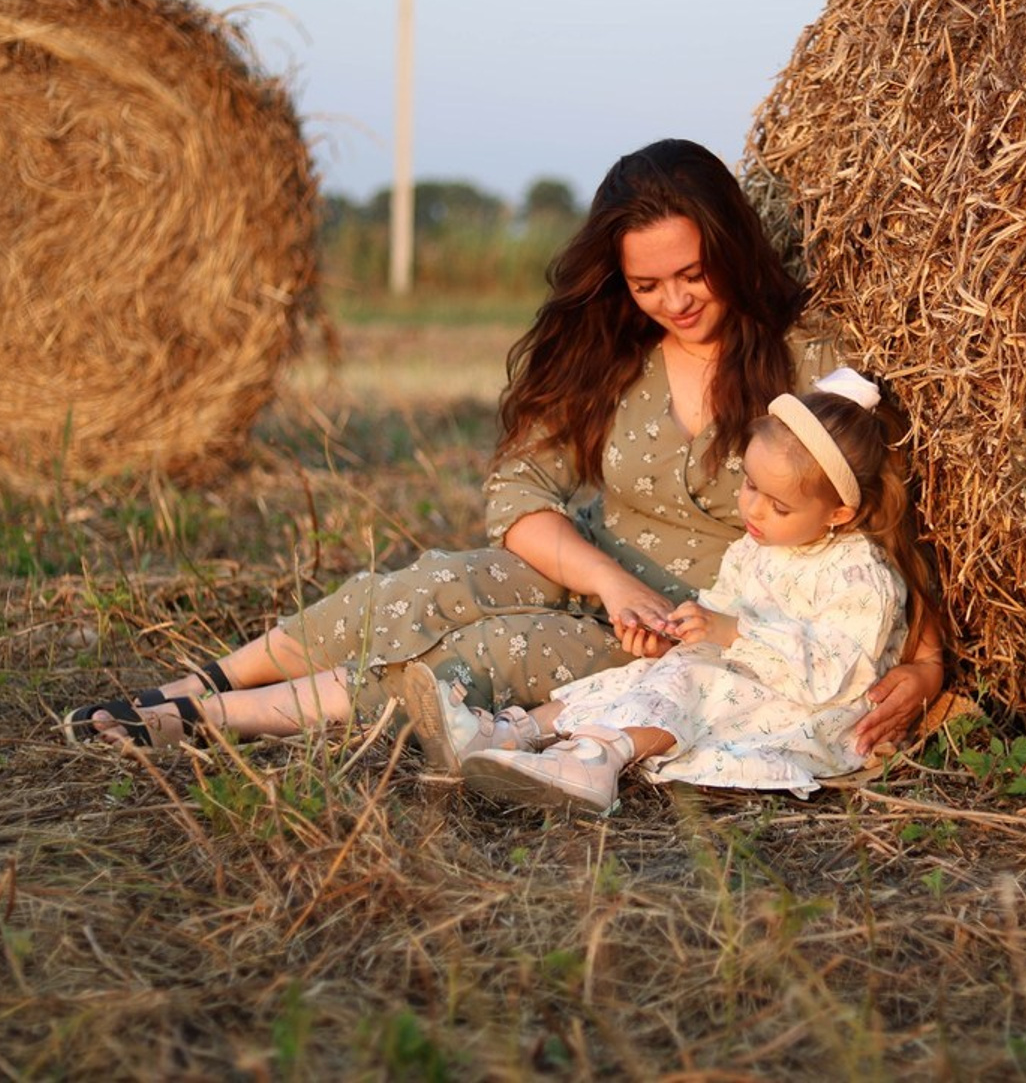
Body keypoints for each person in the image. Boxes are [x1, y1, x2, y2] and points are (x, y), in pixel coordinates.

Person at [64, 139, 943, 756]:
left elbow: (892, 516)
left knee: (486, 660)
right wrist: (606, 579)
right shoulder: (615, 351)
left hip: (691, 632)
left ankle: (229, 721)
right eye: (647, 283)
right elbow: (519, 487)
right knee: (434, 583)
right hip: (594, 570)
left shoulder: (809, 360)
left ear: (734, 248)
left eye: (692, 273)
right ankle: (200, 682)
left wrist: (927, 660)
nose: (674, 300)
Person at [432, 371, 944, 815]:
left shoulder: (861, 575)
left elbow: (835, 672)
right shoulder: (759, 546)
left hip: (811, 712)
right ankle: (506, 733)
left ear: (839, 514)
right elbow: (724, 611)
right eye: (749, 486)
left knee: (696, 681)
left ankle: (597, 761)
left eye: (778, 506)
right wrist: (681, 635)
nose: (754, 511)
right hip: (745, 674)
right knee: (647, 672)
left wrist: (730, 635)